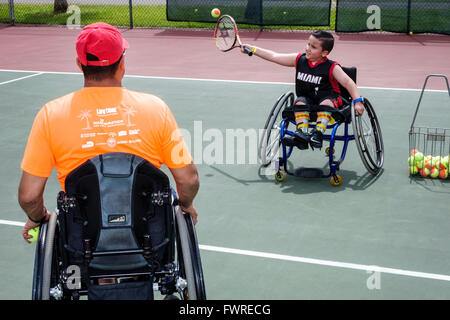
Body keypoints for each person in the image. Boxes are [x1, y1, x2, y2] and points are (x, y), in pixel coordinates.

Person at [18, 22, 199, 243]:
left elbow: (28, 197)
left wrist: (37, 218)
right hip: (149, 238)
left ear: (79, 64)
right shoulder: (156, 109)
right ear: (122, 63)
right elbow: (188, 180)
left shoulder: (50, 115)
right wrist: (186, 205)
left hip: (84, 242)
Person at [242, 30, 365, 149]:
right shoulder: (299, 60)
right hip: (308, 102)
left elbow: (349, 82)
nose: (308, 48)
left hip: (331, 102)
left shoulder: (332, 67)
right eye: (308, 44)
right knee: (299, 102)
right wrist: (253, 49)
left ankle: (318, 134)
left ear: (324, 53)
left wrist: (357, 101)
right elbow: (274, 56)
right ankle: (302, 134)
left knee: (326, 103)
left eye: (313, 47)